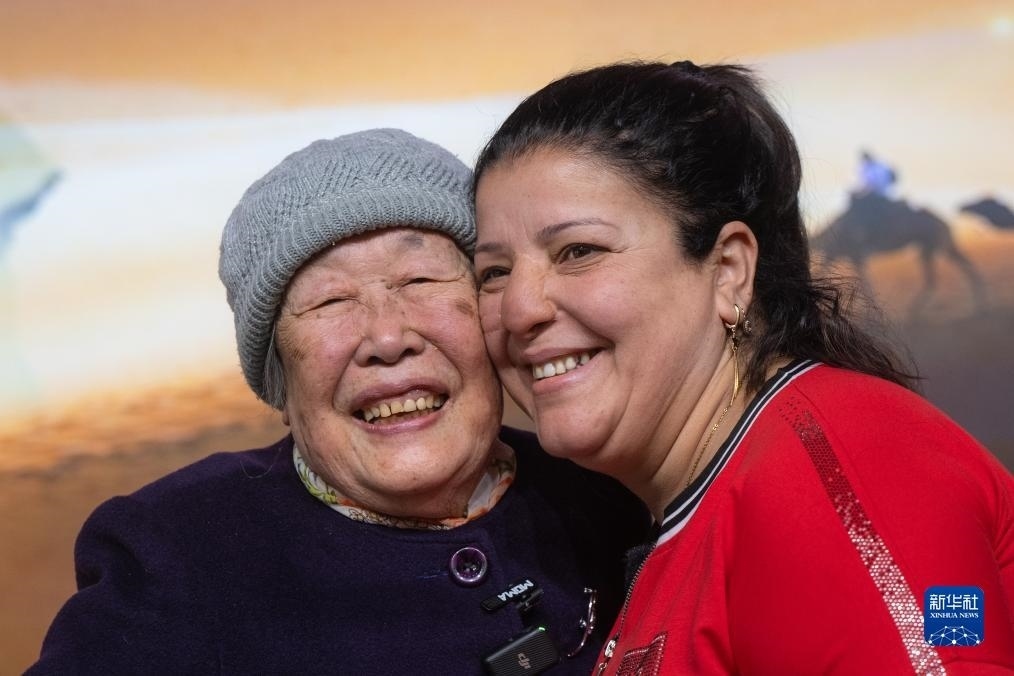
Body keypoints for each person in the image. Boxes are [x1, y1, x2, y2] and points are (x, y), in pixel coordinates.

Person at [27, 129, 648, 674]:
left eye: (421, 280)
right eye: (330, 301)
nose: (388, 337)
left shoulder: (610, 494)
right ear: (279, 380)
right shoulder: (177, 555)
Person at [471, 61, 1014, 674]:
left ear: (728, 270)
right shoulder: (707, 498)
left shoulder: (840, 478)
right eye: (494, 272)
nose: (519, 309)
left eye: (578, 251)